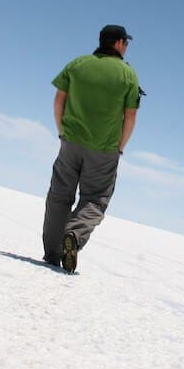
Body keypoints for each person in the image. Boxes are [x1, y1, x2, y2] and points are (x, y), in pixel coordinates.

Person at [42, 24, 141, 272]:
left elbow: (58, 100)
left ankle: (53, 252)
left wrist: (62, 132)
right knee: (96, 199)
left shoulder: (78, 64)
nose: (127, 47)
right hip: (105, 149)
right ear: (118, 43)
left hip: (71, 141)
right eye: (126, 43)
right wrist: (119, 147)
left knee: (59, 195)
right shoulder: (128, 76)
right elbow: (130, 117)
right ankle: (74, 235)